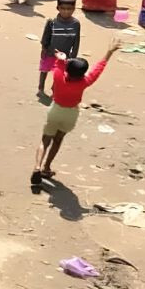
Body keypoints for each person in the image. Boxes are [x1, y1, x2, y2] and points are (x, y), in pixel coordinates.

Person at [33, 40, 120, 185]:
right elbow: (98, 69)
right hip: (71, 114)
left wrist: (61, 59)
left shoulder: (59, 77)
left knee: (45, 140)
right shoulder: (85, 82)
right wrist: (109, 52)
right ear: (83, 73)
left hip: (55, 110)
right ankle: (47, 167)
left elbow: (58, 67)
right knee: (58, 140)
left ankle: (37, 166)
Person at [38, 0, 81, 96]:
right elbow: (46, 36)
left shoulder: (76, 24)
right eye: (63, 9)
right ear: (58, 8)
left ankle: (54, 88)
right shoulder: (52, 22)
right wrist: (43, 49)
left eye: (69, 9)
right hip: (50, 52)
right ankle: (40, 88)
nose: (66, 11)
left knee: (59, 73)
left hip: (64, 54)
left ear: (74, 9)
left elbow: (76, 40)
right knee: (44, 69)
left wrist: (73, 55)